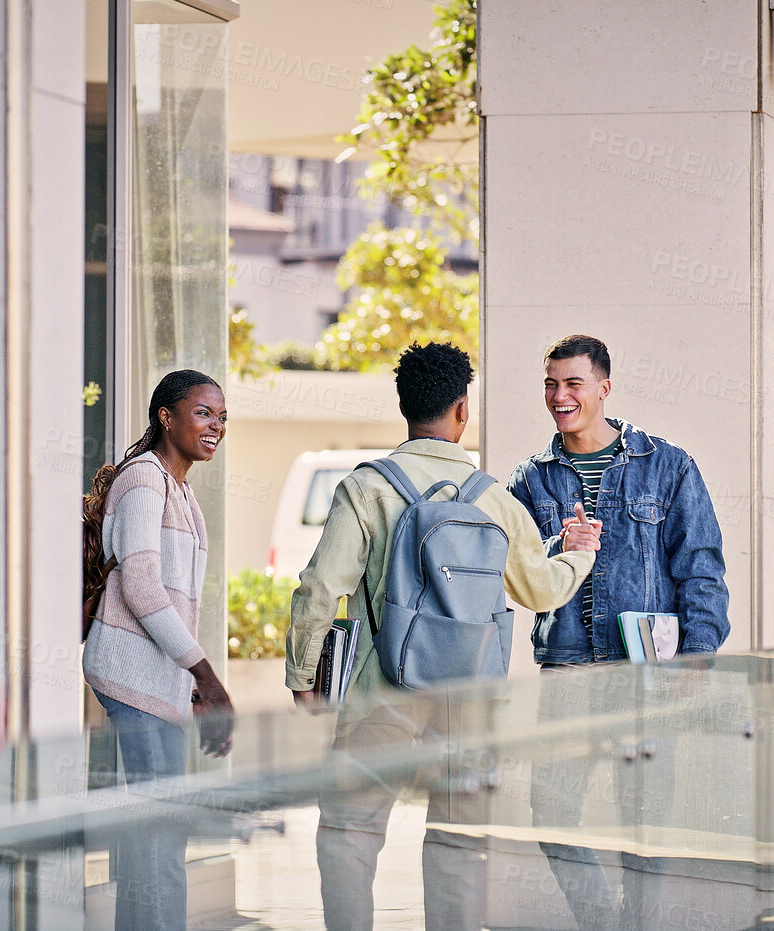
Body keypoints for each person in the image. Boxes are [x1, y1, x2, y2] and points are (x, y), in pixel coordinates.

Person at [284, 342, 602, 931]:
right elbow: (539, 589)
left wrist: (304, 678)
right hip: (470, 702)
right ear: (462, 409)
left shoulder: (366, 488)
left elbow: (320, 589)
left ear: (405, 407)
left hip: (382, 692)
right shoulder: (493, 498)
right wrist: (578, 555)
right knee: (458, 841)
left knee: (349, 832)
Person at [506, 334, 730, 929]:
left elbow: (701, 565)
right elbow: (513, 569)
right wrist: (561, 545)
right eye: (551, 384)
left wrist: (697, 655)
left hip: (647, 673)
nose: (560, 396)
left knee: (646, 822)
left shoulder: (669, 465)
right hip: (568, 672)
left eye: (573, 383)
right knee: (551, 812)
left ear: (603, 388)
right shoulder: (530, 480)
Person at [80, 368, 235, 931]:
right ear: (165, 417)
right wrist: (209, 678)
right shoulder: (144, 479)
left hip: (157, 682)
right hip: (131, 678)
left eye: (222, 417)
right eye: (203, 412)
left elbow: (170, 600)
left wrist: (189, 683)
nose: (215, 425)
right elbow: (141, 588)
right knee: (160, 841)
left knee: (154, 838)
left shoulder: (178, 486)